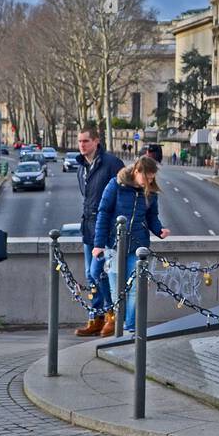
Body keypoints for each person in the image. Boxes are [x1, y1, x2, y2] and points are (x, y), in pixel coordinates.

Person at [92, 155, 169, 336]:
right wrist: (99, 244)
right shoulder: (116, 185)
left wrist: (159, 230)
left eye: (152, 179)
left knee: (135, 287)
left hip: (138, 246)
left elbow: (151, 217)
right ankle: (119, 324)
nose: (148, 182)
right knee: (116, 288)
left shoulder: (150, 192)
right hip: (114, 245)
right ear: (136, 171)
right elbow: (103, 214)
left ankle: (130, 326)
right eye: (146, 178)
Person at [73, 124, 124, 338]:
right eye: (79, 141)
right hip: (88, 228)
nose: (81, 145)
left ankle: (112, 314)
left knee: (98, 272)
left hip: (105, 230)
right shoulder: (81, 166)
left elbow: (124, 194)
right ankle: (97, 317)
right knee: (90, 275)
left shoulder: (112, 164)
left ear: (96, 141)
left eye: (85, 141)